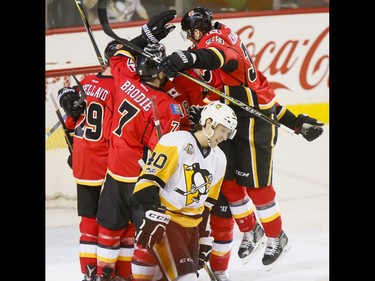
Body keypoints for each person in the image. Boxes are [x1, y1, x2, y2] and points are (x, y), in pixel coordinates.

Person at [160, 6, 324, 280]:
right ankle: (251, 229)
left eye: (191, 36)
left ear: (198, 31)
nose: (190, 40)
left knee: (257, 186)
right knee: (230, 181)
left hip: (252, 122)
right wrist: (294, 121)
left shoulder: (214, 40)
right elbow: (259, 88)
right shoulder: (214, 40)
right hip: (234, 118)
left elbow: (222, 58)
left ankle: (277, 237)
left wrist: (189, 56)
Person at [94, 39, 185, 280]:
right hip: (141, 179)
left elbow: (117, 54)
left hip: (114, 172)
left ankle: (104, 275)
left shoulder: (125, 80)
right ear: (159, 71)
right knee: (141, 235)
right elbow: (167, 148)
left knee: (109, 230)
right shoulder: (167, 105)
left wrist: (145, 35)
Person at [132, 101, 238, 281]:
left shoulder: (219, 159)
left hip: (192, 230)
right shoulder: (177, 141)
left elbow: (206, 206)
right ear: (209, 123)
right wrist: (153, 211)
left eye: (228, 133)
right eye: (223, 130)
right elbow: (146, 183)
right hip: (167, 223)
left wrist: (204, 238)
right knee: (186, 278)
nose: (225, 137)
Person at [56, 40, 119, 281]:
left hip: (84, 163)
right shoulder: (121, 88)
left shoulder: (85, 83)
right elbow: (118, 131)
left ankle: (88, 273)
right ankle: (107, 272)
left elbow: (72, 121)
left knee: (88, 221)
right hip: (106, 165)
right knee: (111, 222)